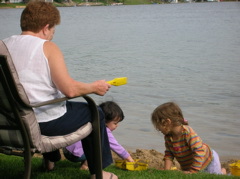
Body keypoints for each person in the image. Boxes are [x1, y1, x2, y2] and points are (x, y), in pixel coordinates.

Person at [3, 1, 117, 179]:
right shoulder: (47, 47)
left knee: (43, 102)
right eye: (53, 29)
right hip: (40, 126)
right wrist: (94, 87)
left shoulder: (4, 45)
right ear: (46, 27)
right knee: (94, 111)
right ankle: (98, 173)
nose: (52, 34)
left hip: (8, 122)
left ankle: (50, 160)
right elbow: (69, 90)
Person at [151, 102, 226, 175]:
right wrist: (166, 171)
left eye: (158, 125)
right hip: (190, 165)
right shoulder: (168, 137)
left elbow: (199, 151)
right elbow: (169, 154)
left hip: (208, 161)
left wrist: (193, 171)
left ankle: (223, 172)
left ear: (167, 122)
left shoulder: (188, 132)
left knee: (216, 175)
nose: (157, 128)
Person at [63, 101, 134, 170]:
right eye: (115, 123)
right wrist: (129, 159)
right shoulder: (104, 130)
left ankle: (84, 162)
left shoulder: (89, 121)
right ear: (105, 121)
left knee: (91, 142)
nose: (117, 126)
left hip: (67, 150)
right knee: (102, 148)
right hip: (76, 155)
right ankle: (85, 165)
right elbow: (116, 147)